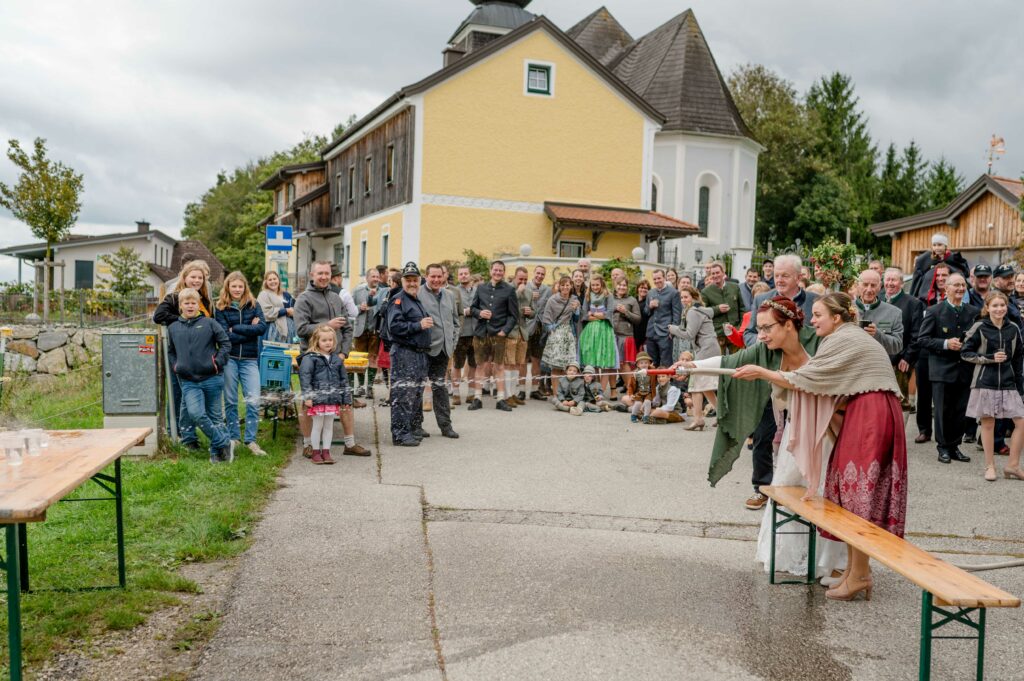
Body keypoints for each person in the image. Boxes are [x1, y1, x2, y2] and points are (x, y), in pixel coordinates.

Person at [737, 293, 906, 600]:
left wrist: (761, 372)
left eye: (817, 315)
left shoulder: (841, 340)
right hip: (868, 410)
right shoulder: (847, 336)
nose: (811, 320)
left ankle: (859, 575)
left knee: (859, 495)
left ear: (837, 318)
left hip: (871, 412)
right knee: (854, 494)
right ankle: (855, 573)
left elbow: (807, 378)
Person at [678, 296, 842, 580]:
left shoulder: (819, 344)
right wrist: (693, 366)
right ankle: (787, 555)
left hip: (827, 430)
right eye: (759, 328)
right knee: (789, 487)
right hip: (796, 429)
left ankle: (830, 560)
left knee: (825, 492)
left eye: (767, 328)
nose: (761, 335)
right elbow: (729, 361)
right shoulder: (766, 350)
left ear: (789, 325)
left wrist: (766, 374)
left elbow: (823, 383)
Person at [740, 254, 819, 511]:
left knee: (803, 434)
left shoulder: (814, 302)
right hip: (769, 375)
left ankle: (801, 486)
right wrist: (761, 343)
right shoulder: (763, 299)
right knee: (763, 434)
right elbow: (750, 332)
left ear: (799, 276)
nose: (780, 279)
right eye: (776, 275)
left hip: (801, 380)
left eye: (785, 275)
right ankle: (761, 487)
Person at [294, 261, 369, 457]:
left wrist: (343, 353)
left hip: (336, 359)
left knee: (344, 399)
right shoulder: (303, 299)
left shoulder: (336, 298)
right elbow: (301, 329)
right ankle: (308, 444)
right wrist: (327, 324)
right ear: (312, 274)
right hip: (312, 359)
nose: (324, 277)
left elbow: (347, 328)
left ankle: (350, 443)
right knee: (309, 401)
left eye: (327, 273)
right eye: (320, 273)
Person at [961, 291, 1024, 482]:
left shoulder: (1013, 328)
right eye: (995, 306)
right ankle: (990, 466)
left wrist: (1020, 386)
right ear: (987, 308)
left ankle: (1013, 465)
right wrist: (989, 358)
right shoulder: (980, 326)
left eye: (1002, 305)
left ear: (1007, 307)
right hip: (985, 382)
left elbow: (1019, 358)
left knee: (1021, 422)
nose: (999, 309)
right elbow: (965, 352)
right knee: (988, 424)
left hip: (1009, 383)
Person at [166, 288, 233, 463]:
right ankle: (223, 442)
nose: (190, 306)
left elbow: (225, 344)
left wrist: (216, 362)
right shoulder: (173, 328)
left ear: (198, 305)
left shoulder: (210, 323)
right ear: (180, 306)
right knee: (196, 413)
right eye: (186, 303)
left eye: (193, 303)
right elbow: (171, 352)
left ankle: (216, 452)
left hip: (212, 378)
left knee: (215, 416)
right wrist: (176, 366)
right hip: (189, 381)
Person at [919, 273, 979, 464]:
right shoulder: (935, 311)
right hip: (942, 369)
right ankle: (943, 447)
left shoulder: (973, 312)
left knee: (960, 410)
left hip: (965, 369)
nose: (961, 289)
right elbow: (923, 339)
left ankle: (954, 446)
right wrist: (945, 343)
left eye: (963, 285)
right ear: (946, 289)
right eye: (956, 285)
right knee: (943, 410)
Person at [154, 259, 214, 449]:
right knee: (178, 392)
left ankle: (189, 432)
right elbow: (158, 316)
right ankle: (177, 432)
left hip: (201, 353)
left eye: (200, 277)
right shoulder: (174, 297)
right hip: (180, 352)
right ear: (185, 277)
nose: (196, 280)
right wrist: (182, 321)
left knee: (195, 394)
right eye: (193, 277)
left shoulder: (204, 299)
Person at [214, 271, 268, 456]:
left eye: (240, 286)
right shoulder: (220, 308)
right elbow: (223, 336)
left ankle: (251, 441)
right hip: (229, 359)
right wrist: (249, 329)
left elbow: (261, 328)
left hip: (250, 360)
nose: (237, 289)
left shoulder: (254, 304)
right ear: (227, 287)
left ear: (245, 287)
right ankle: (234, 438)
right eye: (233, 286)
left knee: (253, 400)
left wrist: (236, 328)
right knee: (230, 401)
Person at [385, 262, 433, 446]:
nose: (412, 283)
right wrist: (418, 325)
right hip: (405, 353)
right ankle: (400, 434)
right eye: (408, 280)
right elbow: (394, 327)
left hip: (419, 354)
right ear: (403, 281)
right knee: (403, 394)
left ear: (419, 281)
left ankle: (414, 427)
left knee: (416, 393)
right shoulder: (398, 300)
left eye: (415, 280)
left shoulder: (415, 299)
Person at [469, 260, 519, 412]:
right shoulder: (481, 288)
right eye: (495, 270)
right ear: (490, 271)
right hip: (481, 332)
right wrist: (479, 313)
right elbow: (472, 308)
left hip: (499, 333)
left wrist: (505, 331)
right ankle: (477, 398)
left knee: (499, 366)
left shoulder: (509, 290)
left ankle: (501, 399)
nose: (498, 273)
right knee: (480, 365)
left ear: (503, 272)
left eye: (500, 270)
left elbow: (513, 315)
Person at [418, 264, 461, 438]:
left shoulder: (449, 295)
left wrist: (452, 342)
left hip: (443, 350)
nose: (436, 280)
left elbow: (456, 322)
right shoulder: (418, 294)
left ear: (443, 277)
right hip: (423, 350)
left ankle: (445, 426)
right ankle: (416, 426)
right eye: (432, 277)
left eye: (439, 277)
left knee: (440, 388)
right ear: (426, 276)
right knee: (417, 388)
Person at [298, 325, 352, 464]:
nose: (328, 342)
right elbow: (305, 378)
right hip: (317, 400)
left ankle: (326, 452)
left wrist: (346, 398)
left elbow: (343, 381)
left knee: (329, 426)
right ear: (316, 341)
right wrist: (308, 396)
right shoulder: (310, 358)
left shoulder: (336, 360)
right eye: (324, 340)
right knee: (317, 425)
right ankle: (316, 452)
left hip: (332, 399)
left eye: (330, 340)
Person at [668, 286, 720, 430]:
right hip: (710, 347)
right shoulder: (699, 310)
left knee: (695, 383)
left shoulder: (692, 312)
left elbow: (689, 334)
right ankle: (722, 415)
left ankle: (698, 419)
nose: (683, 300)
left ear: (694, 297)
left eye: (686, 297)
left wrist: (672, 329)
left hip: (706, 349)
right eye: (682, 297)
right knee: (705, 386)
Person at [912, 261, 950, 444]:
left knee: (943, 395)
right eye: (939, 275)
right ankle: (924, 430)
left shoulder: (957, 298)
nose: (941, 278)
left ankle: (944, 434)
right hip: (926, 351)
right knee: (924, 393)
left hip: (946, 351)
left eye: (945, 275)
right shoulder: (923, 299)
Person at [883, 267, 924, 412]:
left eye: (894, 280)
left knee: (899, 404)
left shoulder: (913, 303)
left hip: (900, 361)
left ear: (901, 283)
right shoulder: (878, 299)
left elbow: (916, 334)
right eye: (887, 279)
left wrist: (907, 358)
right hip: (879, 359)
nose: (890, 283)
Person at [580, 274, 617, 397]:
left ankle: (601, 391)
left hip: (605, 330)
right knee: (593, 361)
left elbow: (609, 313)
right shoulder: (587, 296)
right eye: (593, 285)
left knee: (605, 361)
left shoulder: (608, 295)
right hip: (590, 331)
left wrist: (594, 314)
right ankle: (594, 390)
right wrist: (598, 314)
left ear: (602, 284)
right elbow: (584, 314)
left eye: (597, 285)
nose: (595, 287)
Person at [854, 269, 903, 358]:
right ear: (858, 285)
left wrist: (877, 334)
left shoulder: (894, 312)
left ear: (880, 287)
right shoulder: (846, 308)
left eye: (873, 285)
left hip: (878, 365)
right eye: (865, 284)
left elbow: (897, 346)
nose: (869, 289)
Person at [700, 261, 745, 355]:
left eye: (717, 273)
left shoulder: (735, 287)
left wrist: (741, 327)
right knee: (718, 362)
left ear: (723, 273)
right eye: (713, 273)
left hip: (735, 331)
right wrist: (717, 309)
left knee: (738, 360)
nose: (715, 275)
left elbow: (742, 309)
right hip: (718, 333)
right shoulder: (705, 292)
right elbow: (703, 313)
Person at [910, 233, 969, 302]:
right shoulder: (926, 259)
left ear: (945, 246)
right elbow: (917, 278)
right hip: (931, 294)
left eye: (939, 245)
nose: (937, 248)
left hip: (950, 293)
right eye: (934, 245)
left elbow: (962, 272)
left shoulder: (953, 258)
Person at [352, 268, 383, 398]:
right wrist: (359, 308)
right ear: (367, 278)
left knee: (373, 358)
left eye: (377, 277)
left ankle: (369, 387)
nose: (376, 279)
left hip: (375, 329)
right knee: (360, 358)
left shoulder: (383, 292)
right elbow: (349, 308)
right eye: (373, 276)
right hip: (360, 329)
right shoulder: (358, 290)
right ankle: (360, 386)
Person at [540, 276, 580, 375]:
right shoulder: (552, 300)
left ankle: (564, 389)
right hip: (556, 333)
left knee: (568, 366)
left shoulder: (574, 300)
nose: (565, 287)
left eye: (567, 285)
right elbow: (546, 318)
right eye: (562, 285)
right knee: (555, 367)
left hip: (568, 333)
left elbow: (576, 319)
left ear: (571, 286)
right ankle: (556, 391)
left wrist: (576, 309)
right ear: (559, 286)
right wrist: (552, 330)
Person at [505, 266, 533, 406]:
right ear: (514, 277)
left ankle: (513, 393)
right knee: (508, 364)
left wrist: (530, 312)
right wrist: (517, 293)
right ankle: (506, 395)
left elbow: (533, 311)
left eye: (526, 279)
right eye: (520, 279)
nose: (523, 282)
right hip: (510, 331)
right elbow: (504, 306)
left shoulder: (529, 291)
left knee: (517, 364)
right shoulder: (507, 289)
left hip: (523, 331)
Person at [609, 278, 640, 399]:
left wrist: (625, 311)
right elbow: (603, 312)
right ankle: (613, 392)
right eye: (619, 285)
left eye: (624, 285)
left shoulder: (632, 300)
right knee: (611, 364)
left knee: (624, 364)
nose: (622, 287)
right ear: (615, 286)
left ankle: (631, 389)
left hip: (625, 335)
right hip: (610, 334)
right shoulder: (609, 298)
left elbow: (638, 319)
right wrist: (613, 310)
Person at [525, 265, 552, 400]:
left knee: (537, 359)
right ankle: (521, 390)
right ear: (533, 273)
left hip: (540, 328)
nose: (540, 276)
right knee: (522, 361)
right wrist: (530, 296)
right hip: (525, 327)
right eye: (538, 273)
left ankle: (535, 389)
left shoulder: (547, 290)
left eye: (542, 274)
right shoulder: (525, 287)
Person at [645, 269, 682, 367]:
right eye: (655, 279)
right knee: (652, 362)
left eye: (659, 278)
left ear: (664, 278)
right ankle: (653, 382)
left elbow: (677, 314)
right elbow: (646, 312)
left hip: (665, 332)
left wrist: (672, 331)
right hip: (651, 332)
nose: (657, 281)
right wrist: (650, 306)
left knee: (666, 361)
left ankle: (667, 382)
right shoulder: (650, 293)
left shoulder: (673, 293)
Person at [452, 265, 477, 405]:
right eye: (460, 274)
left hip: (476, 333)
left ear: (470, 275)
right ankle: (455, 394)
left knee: (474, 365)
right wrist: (465, 311)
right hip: (461, 333)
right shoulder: (453, 292)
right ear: (458, 276)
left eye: (465, 273)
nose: (463, 276)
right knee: (457, 365)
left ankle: (471, 394)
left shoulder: (477, 291)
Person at [257, 270, 295, 343]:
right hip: (270, 330)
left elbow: (293, 309)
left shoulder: (287, 295)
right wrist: (286, 311)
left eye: (274, 279)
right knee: (272, 353)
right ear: (266, 282)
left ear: (278, 280)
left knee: (287, 353)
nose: (273, 281)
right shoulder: (264, 295)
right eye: (270, 280)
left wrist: (293, 312)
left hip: (289, 330)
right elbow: (266, 313)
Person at [622, 351, 655, 420]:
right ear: (637, 365)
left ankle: (646, 416)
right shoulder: (635, 374)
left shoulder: (652, 371)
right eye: (641, 363)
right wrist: (630, 394)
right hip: (639, 392)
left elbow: (658, 375)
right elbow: (630, 386)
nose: (644, 365)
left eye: (646, 363)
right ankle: (633, 415)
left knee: (647, 402)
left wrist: (653, 369)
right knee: (638, 403)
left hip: (649, 393)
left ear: (649, 363)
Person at [633, 279, 651, 359]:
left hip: (645, 333)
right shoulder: (633, 300)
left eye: (646, 288)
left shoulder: (648, 302)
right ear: (637, 289)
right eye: (641, 287)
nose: (643, 290)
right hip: (633, 332)